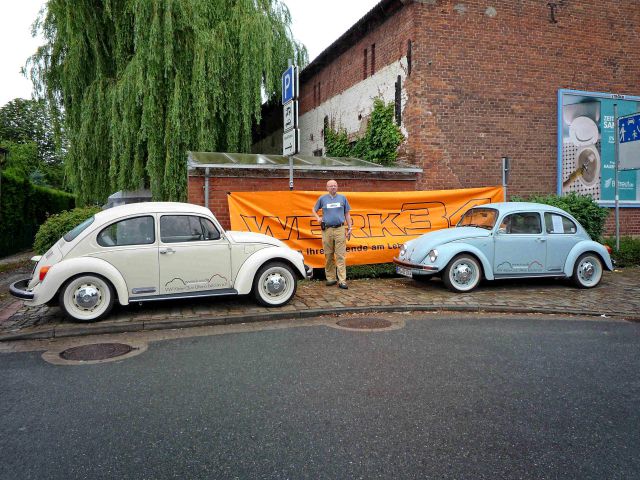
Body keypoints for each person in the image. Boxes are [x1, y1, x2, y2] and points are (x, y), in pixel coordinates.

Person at [312, 179, 353, 289]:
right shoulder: (322, 198)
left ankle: (342, 280)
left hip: (340, 229)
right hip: (327, 230)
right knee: (328, 254)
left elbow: (347, 213)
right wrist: (318, 218)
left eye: (335, 185)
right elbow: (314, 209)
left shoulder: (342, 198)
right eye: (331, 186)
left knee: (340, 255)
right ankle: (331, 278)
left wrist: (350, 227)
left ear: (337, 187)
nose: (333, 187)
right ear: (327, 188)